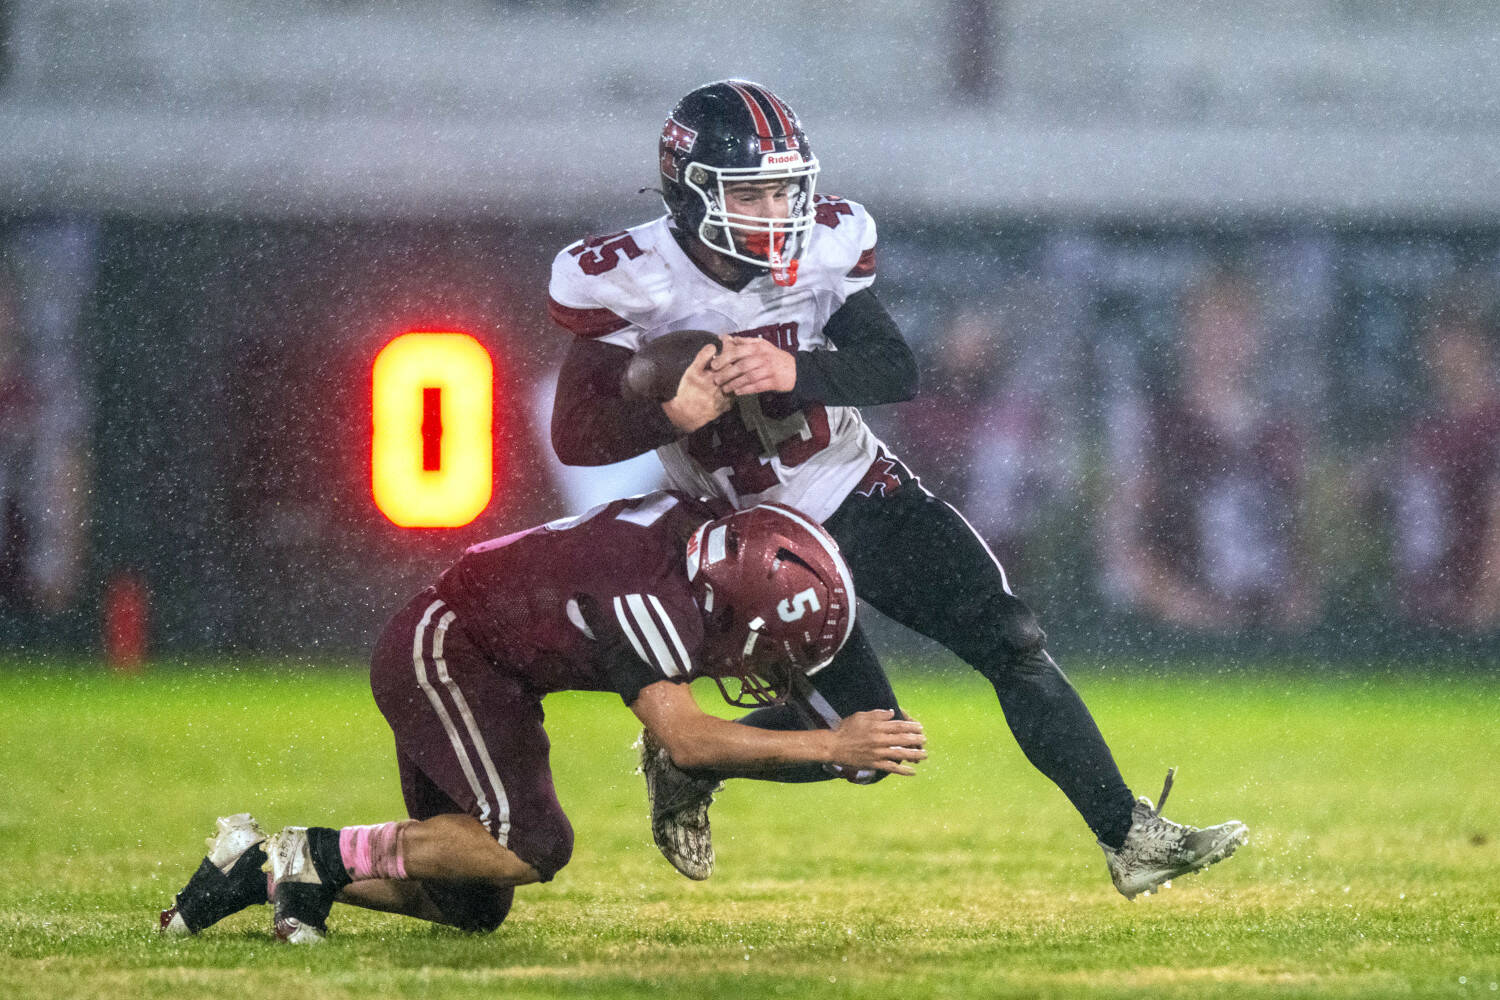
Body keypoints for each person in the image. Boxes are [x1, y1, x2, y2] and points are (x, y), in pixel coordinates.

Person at [546, 79, 1247, 899]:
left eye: (786, 189)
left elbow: (894, 369)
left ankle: (1129, 839)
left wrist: (796, 370)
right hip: (759, 536)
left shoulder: (824, 246)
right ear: (692, 192)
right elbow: (577, 434)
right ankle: (693, 758)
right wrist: (671, 411)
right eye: (756, 193)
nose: (780, 211)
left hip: (860, 485)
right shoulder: (631, 278)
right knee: (873, 746)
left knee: (1011, 638)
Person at [159, 493, 927, 942]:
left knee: (471, 901)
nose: (763, 671)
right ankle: (314, 854)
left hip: (491, 667)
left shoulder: (698, 543)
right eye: (770, 649)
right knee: (526, 844)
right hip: (449, 648)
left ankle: (259, 868)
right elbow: (686, 738)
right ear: (732, 605)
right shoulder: (651, 597)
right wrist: (833, 741)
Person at [1099, 268, 1319, 632]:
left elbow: (1307, 539)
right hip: (1183, 633)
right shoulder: (1157, 426)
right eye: (1212, 326)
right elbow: (1124, 539)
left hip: (1272, 632)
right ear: (1188, 333)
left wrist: (1295, 605)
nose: (1224, 341)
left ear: (1256, 336)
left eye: (1236, 327)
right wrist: (1184, 605)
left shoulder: (1281, 430)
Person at [1387, 279, 1500, 630]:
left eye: (1454, 337)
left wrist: (1483, 609)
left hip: (1473, 618)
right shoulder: (1425, 428)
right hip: (1424, 609)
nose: (1444, 350)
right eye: (1436, 338)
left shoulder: (1492, 421)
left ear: (1479, 342)